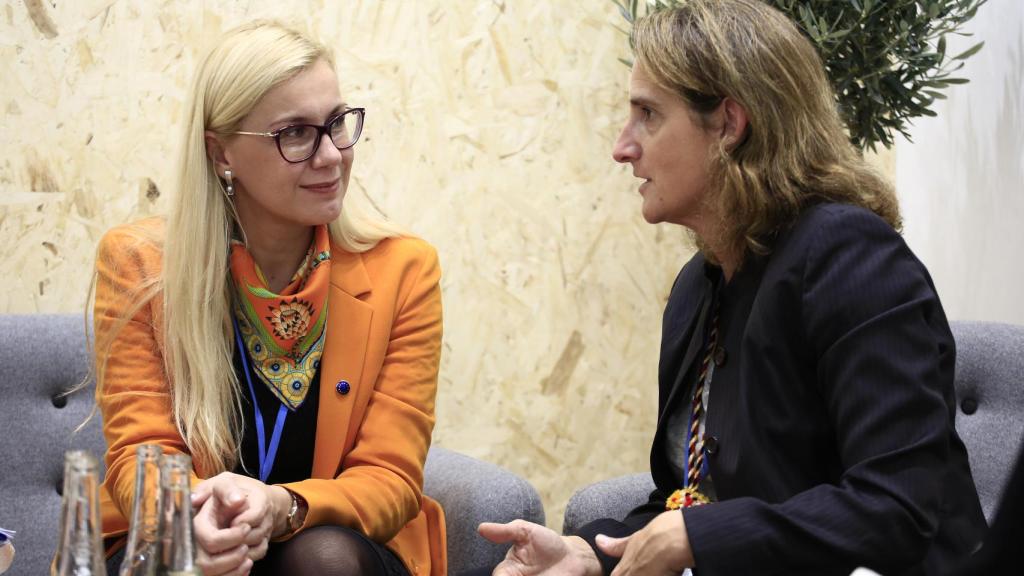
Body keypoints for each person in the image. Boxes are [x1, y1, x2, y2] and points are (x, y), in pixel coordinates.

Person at [475, 1, 987, 575]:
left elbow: (896, 508)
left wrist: (697, 536)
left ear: (727, 125)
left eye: (648, 114)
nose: (622, 147)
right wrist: (586, 553)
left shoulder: (849, 254)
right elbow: (690, 498)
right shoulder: (699, 285)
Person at [91, 20, 445, 576]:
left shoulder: (404, 270)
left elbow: (390, 476)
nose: (331, 155)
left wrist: (284, 507)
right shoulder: (138, 265)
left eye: (337, 124)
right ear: (220, 153)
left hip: (334, 542)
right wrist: (193, 518)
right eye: (295, 133)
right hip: (184, 534)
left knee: (323, 559)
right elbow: (143, 451)